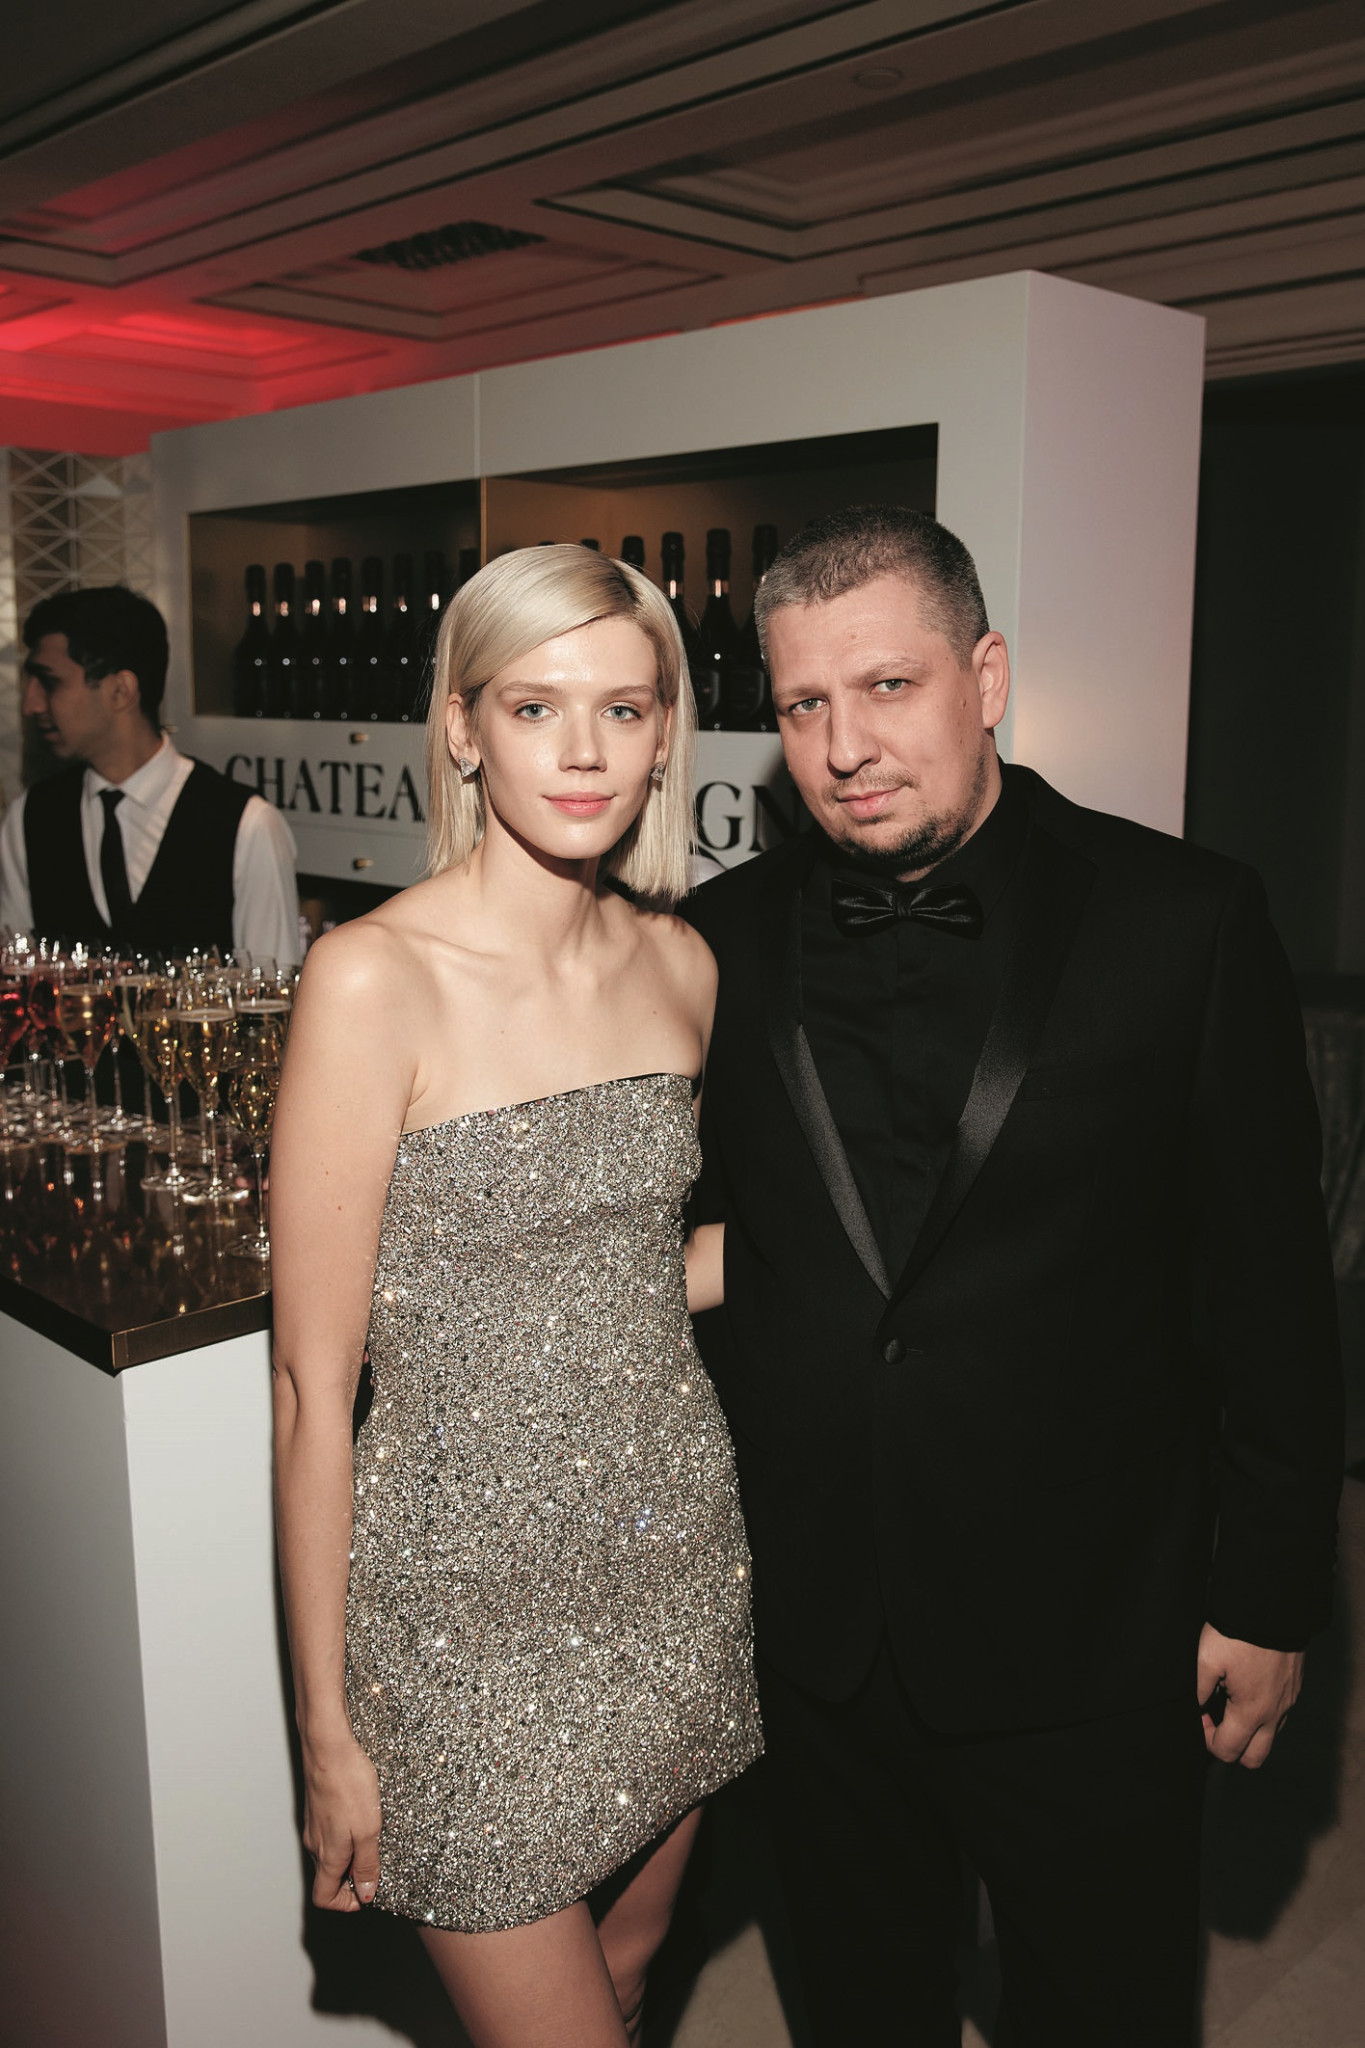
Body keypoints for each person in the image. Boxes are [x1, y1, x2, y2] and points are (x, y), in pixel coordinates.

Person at [681, 504, 1343, 2048]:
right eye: (802, 704)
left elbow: (1271, 1296)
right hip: (818, 1629)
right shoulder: (716, 942)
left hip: (1091, 1634)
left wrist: (1269, 1596)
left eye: (887, 687)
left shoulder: (1185, 920)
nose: (844, 745)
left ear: (985, 677)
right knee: (859, 2009)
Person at [268, 545, 761, 2048]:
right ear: (465, 728)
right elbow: (310, 1391)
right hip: (457, 1616)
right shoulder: (371, 980)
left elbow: (637, 1271)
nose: (584, 750)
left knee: (631, 1973)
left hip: (673, 1558)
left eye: (625, 708)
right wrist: (327, 1729)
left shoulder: (683, 967)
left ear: (667, 735)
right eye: (536, 706)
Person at [0, 585, 300, 963]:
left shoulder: (248, 825)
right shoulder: (32, 816)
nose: (30, 704)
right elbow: (16, 971)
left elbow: (273, 985)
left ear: (121, 691)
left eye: (49, 682)